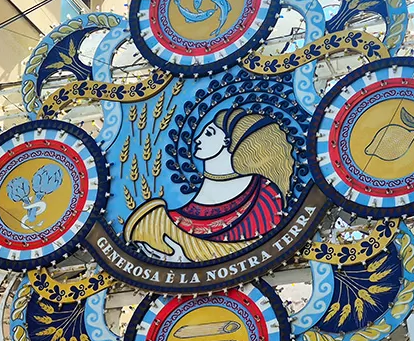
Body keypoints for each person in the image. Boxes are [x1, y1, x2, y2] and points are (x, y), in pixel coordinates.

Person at [124, 107, 293, 261]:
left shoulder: (263, 197)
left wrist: (186, 264)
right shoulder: (155, 220)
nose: (197, 139)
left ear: (230, 142)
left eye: (209, 133)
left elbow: (260, 253)